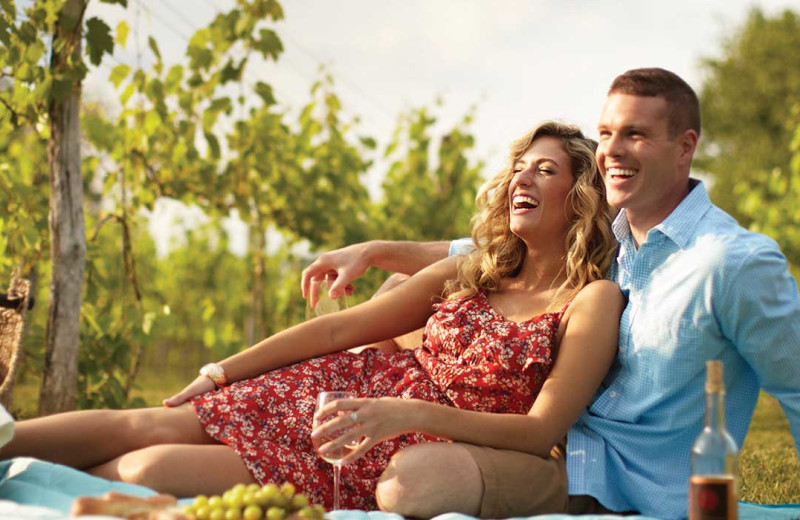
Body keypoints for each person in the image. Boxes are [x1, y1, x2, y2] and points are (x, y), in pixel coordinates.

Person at [0, 122, 624, 514]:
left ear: (580, 197)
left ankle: (56, 496)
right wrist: (219, 371)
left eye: (546, 169)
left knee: (150, 467)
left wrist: (407, 415)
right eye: (521, 165)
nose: (523, 176)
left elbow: (537, 430)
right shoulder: (477, 269)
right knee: (141, 423)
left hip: (380, 444)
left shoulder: (590, 300)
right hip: (332, 394)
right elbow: (338, 330)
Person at [301, 68, 800, 519]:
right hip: (558, 440)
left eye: (636, 135)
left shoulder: (730, 263)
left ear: (685, 146)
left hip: (629, 484)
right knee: (402, 292)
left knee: (414, 481)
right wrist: (374, 250)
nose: (612, 151)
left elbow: (796, 385)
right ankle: (324, 433)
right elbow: (485, 251)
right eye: (606, 134)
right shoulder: (616, 233)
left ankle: (352, 450)